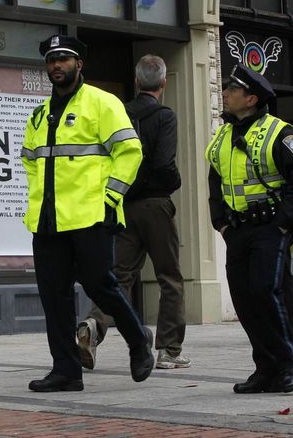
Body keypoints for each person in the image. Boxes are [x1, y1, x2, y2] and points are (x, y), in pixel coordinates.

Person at [21, 34, 154, 392]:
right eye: (51, 60)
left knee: (100, 284)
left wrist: (110, 198)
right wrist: (38, 203)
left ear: (79, 64)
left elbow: (129, 151)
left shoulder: (102, 103)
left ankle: (138, 339)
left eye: (63, 59)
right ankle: (66, 370)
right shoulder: (39, 115)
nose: (56, 66)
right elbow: (30, 161)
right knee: (54, 297)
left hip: (92, 215)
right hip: (48, 221)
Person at [205, 63, 293, 394]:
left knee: (265, 293)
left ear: (251, 98)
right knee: (244, 299)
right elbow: (215, 179)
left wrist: (283, 224)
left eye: (232, 90)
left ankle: (287, 365)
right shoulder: (224, 135)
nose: (224, 94)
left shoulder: (280, 133)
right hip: (237, 231)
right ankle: (265, 369)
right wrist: (220, 222)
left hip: (270, 227)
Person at [77, 54, 188, 371]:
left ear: (137, 81)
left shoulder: (120, 114)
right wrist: (173, 182)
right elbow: (165, 163)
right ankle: (168, 350)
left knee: (120, 276)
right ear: (163, 84)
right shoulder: (165, 116)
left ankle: (93, 327)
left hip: (122, 204)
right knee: (169, 277)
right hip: (155, 204)